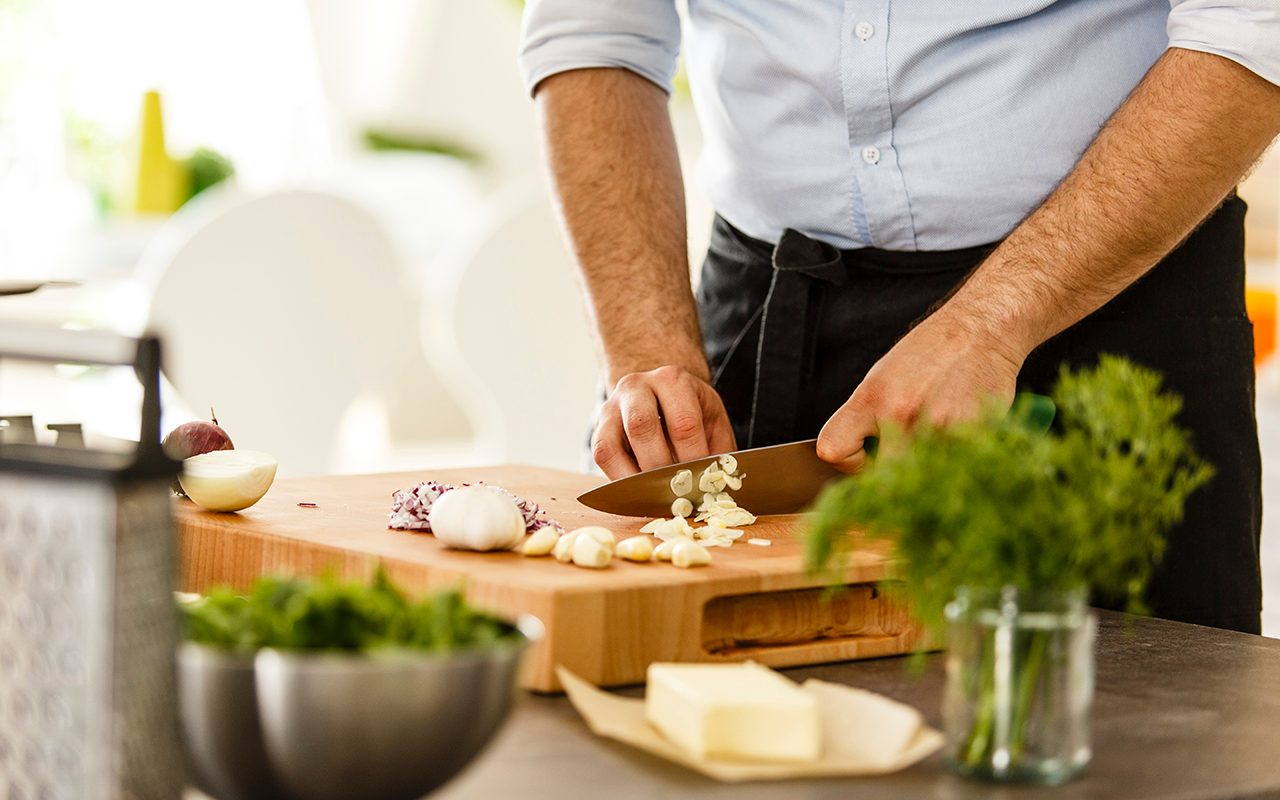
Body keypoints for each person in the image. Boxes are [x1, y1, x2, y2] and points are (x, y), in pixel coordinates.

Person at [519, 2, 1280, 633]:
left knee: (1139, 737)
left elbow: (1252, 25)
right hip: (767, 322)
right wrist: (647, 348)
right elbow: (595, 35)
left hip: (1115, 303)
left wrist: (989, 324)